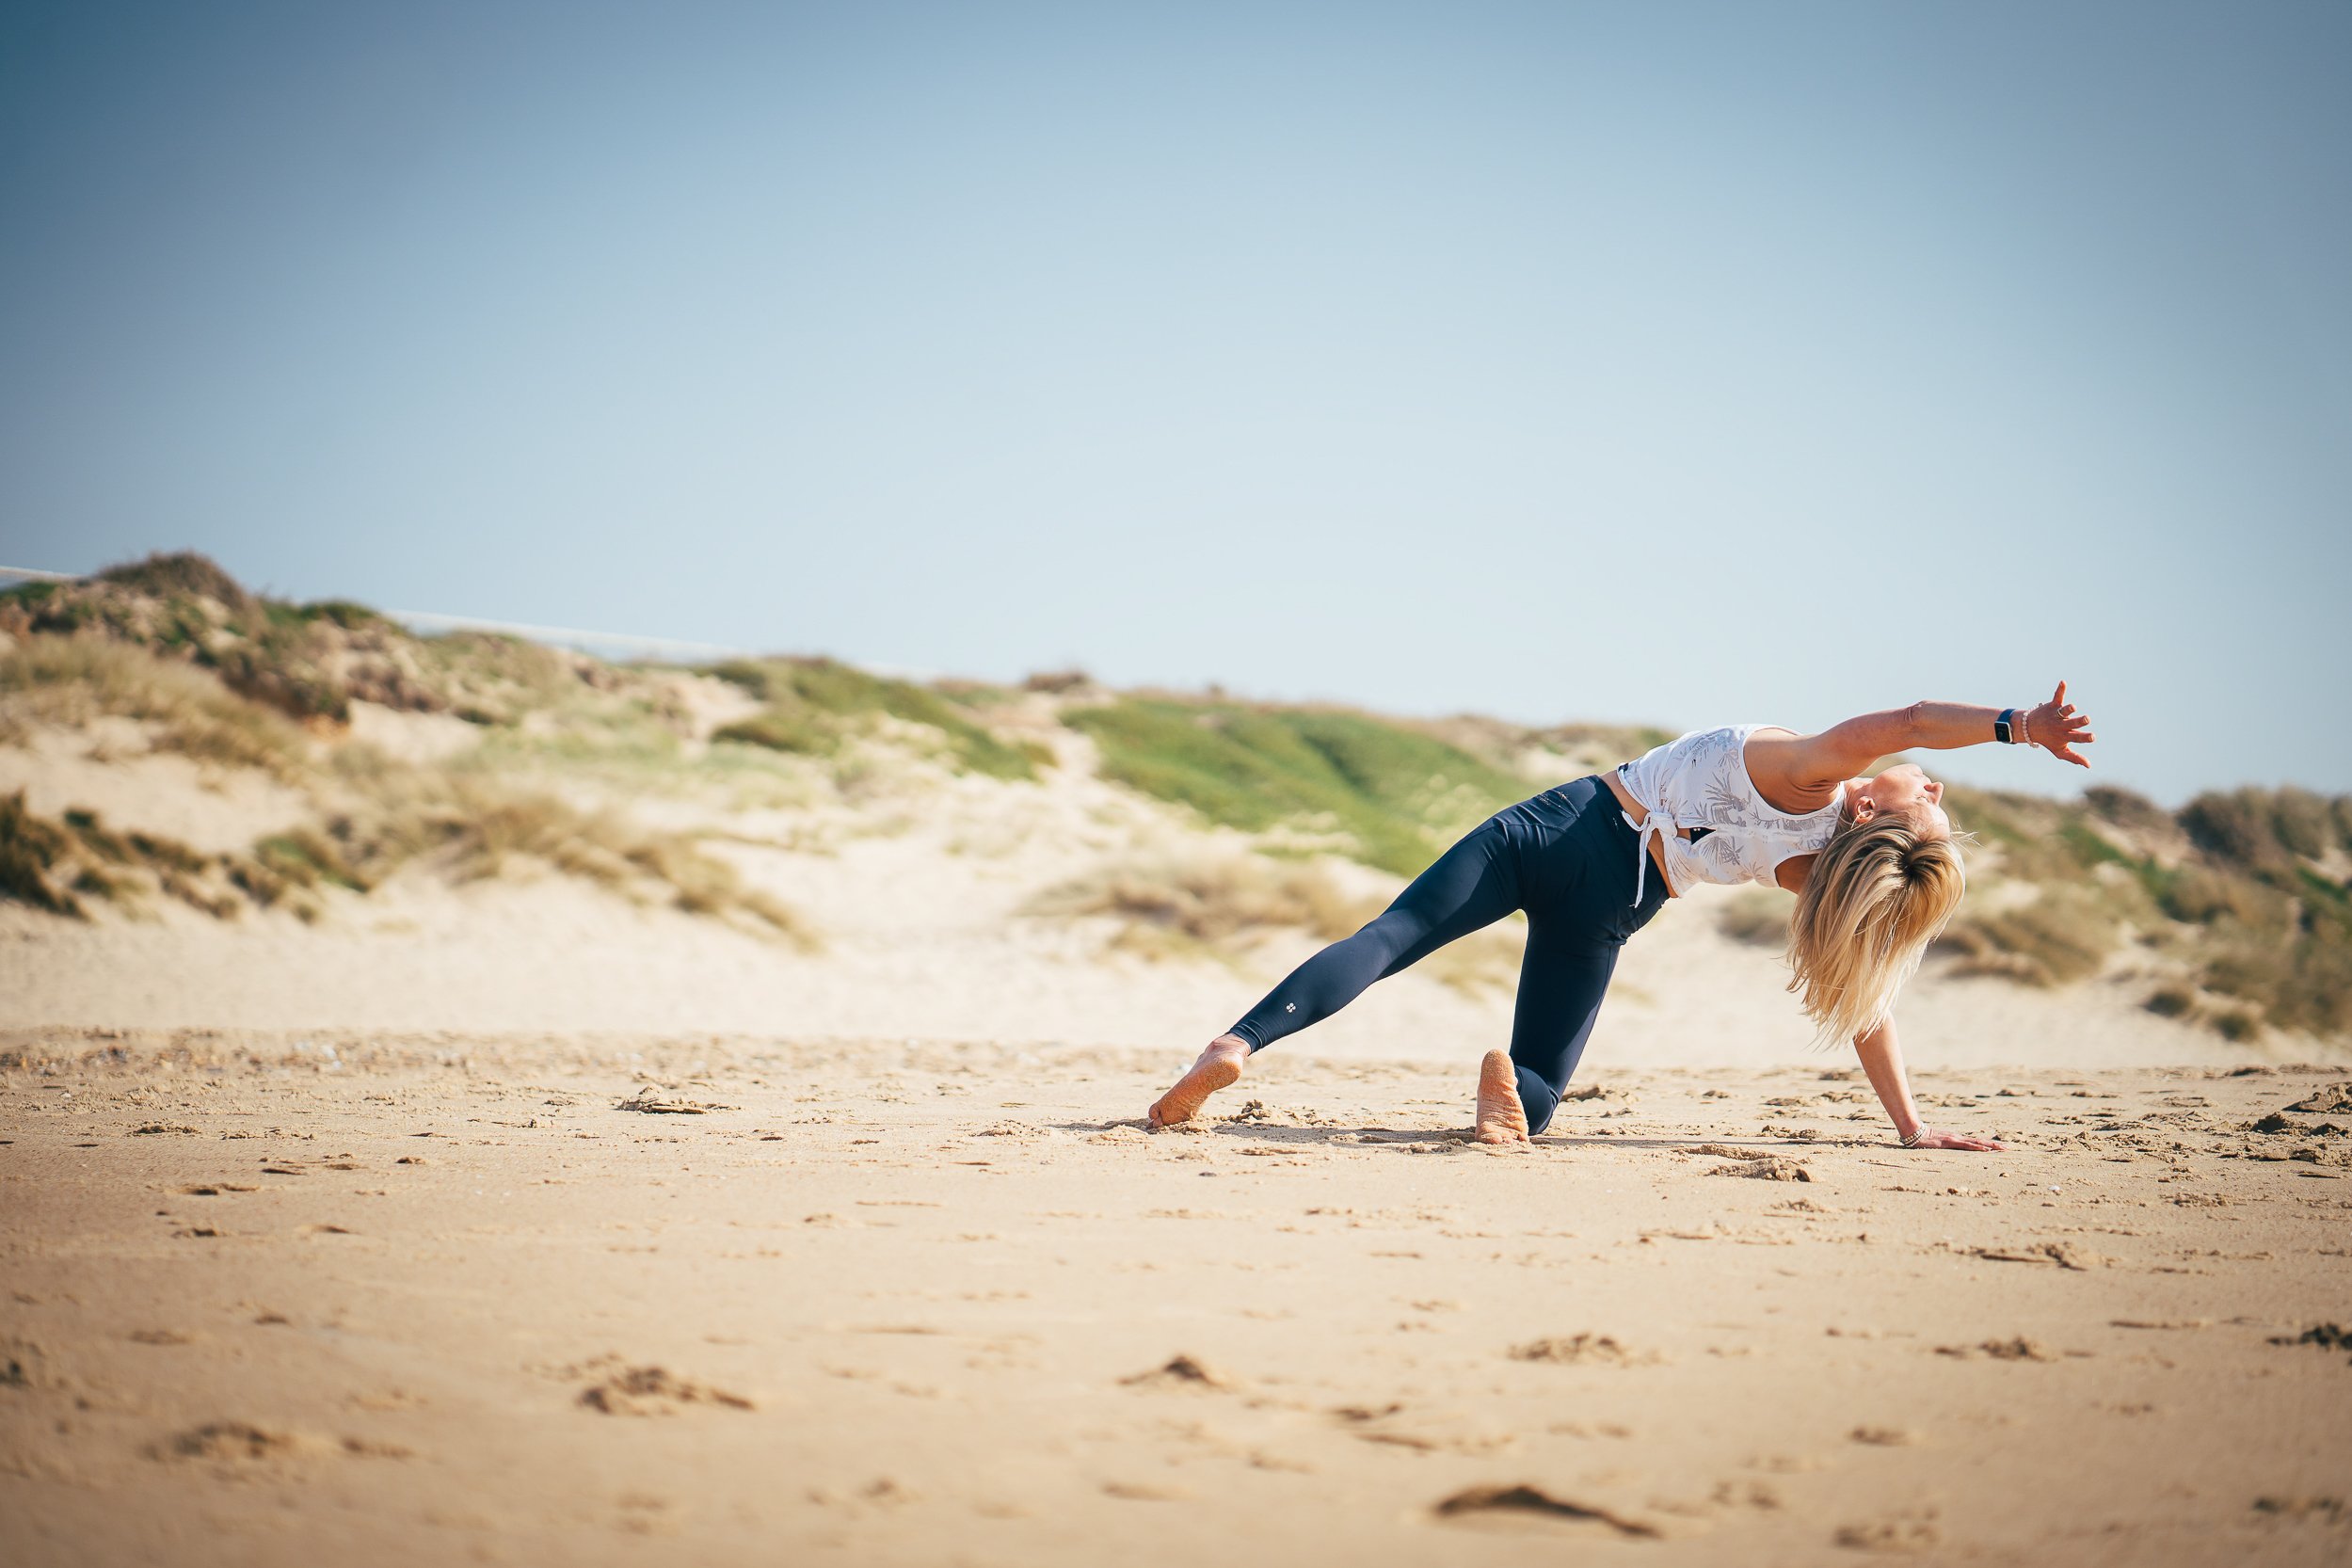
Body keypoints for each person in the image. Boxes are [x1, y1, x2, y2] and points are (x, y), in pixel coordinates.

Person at [1145, 685, 2096, 1150]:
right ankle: (1508, 1096)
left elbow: (1915, 718)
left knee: (1387, 938)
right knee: (1542, 1090)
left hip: (1565, 826)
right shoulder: (1816, 871)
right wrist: (1910, 1125)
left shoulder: (1819, 765)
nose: (1927, 778)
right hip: (1617, 904)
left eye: (1920, 799)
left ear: (1868, 810)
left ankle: (1235, 1044)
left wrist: (2019, 725)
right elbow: (1868, 1003)